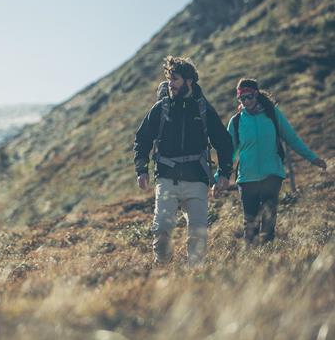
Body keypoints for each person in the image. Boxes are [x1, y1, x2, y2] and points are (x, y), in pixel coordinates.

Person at [134, 56, 234, 266]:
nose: (170, 83)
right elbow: (142, 138)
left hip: (197, 179)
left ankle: (194, 277)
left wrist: (224, 173)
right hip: (166, 179)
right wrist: (141, 169)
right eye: (169, 79)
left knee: (198, 235)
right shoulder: (161, 108)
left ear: (189, 81)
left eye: (175, 79)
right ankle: (163, 267)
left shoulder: (203, 108)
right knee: (161, 229)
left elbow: (223, 142)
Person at [225, 78, 327, 245]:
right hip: (247, 179)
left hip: (272, 175)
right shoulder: (236, 122)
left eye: (249, 97)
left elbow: (292, 138)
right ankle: (252, 263)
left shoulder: (272, 115)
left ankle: (268, 259)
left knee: (268, 222)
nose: (246, 101)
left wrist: (312, 158)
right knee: (250, 224)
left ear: (256, 94)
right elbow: (229, 152)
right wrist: (220, 176)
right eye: (242, 99)